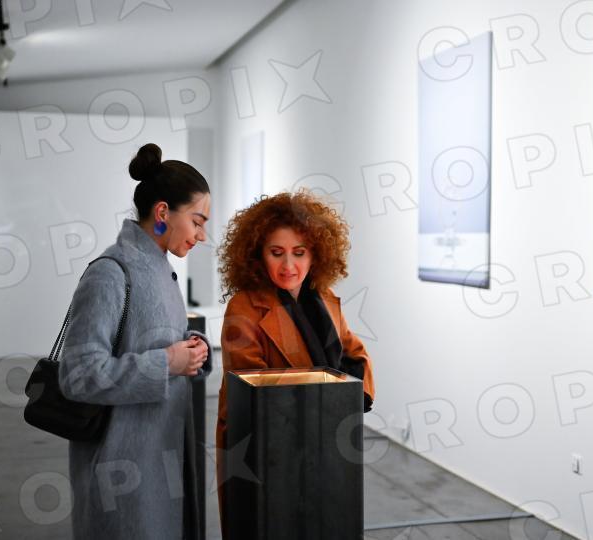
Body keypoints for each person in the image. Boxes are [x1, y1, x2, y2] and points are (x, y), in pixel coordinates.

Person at [58, 143, 211, 540]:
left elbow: (151, 342)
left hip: (159, 462)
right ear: (162, 213)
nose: (202, 235)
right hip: (121, 474)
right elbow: (78, 375)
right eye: (197, 221)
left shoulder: (161, 270)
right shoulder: (110, 274)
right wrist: (168, 363)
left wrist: (192, 348)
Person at [215, 190, 375, 536]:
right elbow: (252, 384)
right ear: (258, 254)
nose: (289, 265)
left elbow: (355, 354)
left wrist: (350, 396)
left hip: (327, 435)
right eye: (277, 253)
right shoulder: (244, 306)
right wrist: (328, 395)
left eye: (299, 253)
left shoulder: (324, 298)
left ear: (316, 253)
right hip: (265, 447)